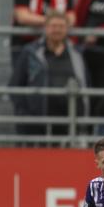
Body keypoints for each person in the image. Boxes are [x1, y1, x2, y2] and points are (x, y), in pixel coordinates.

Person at [9, 10, 88, 138]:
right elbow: (15, 85)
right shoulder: (30, 52)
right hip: (35, 127)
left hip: (69, 126)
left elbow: (86, 84)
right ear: (45, 28)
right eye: (53, 26)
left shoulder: (77, 54)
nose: (57, 30)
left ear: (67, 29)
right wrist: (25, 115)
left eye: (61, 26)